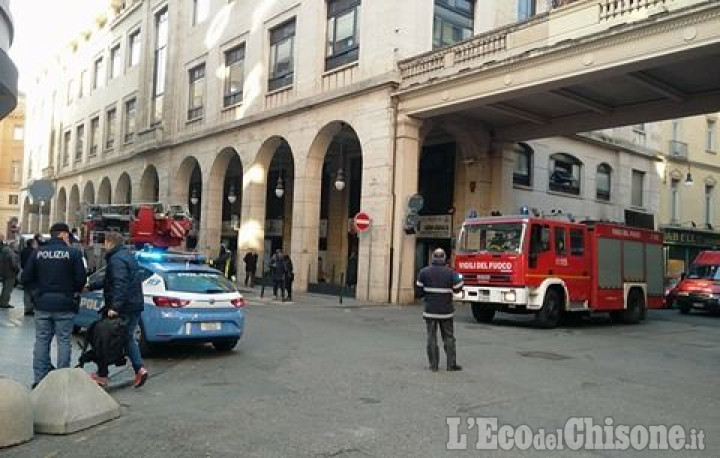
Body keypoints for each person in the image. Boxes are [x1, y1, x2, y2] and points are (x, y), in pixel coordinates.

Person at [21, 223, 87, 387]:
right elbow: (81, 279)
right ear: (64, 235)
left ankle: (39, 379)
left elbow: (25, 278)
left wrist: (37, 294)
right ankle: (61, 381)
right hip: (65, 304)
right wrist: (73, 292)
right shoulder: (73, 253)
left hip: (43, 304)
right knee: (64, 340)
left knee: (42, 341)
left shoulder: (38, 253)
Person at [87, 232, 148, 388]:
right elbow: (110, 280)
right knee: (127, 337)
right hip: (134, 304)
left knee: (104, 338)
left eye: (105, 243)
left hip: (123, 307)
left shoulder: (116, 259)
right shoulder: (126, 256)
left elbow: (119, 283)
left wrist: (115, 307)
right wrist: (91, 286)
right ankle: (139, 369)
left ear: (109, 243)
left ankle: (102, 375)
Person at [415, 248, 463, 372]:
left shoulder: (423, 272)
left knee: (431, 337)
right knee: (449, 337)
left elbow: (418, 292)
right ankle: (451, 365)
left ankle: (434, 365)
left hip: (430, 310)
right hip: (446, 311)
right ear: (444, 258)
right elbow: (458, 288)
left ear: (433, 258)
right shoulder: (451, 272)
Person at [0, 233, 20, 309]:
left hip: (4, 272)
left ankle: (2, 301)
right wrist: (17, 270)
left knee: (5, 288)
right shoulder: (10, 252)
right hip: (10, 273)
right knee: (7, 289)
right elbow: (14, 264)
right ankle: (4, 303)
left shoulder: (4, 250)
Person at [20, 238, 39, 315]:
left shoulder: (23, 251)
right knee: (34, 292)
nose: (37, 245)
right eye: (36, 243)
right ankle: (32, 308)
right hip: (33, 275)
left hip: (25, 273)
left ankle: (27, 309)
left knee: (26, 293)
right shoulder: (34, 252)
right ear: (32, 244)